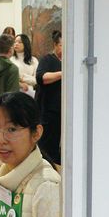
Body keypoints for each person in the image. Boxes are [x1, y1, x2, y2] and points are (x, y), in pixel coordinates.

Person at [36, 31, 63, 166]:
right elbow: (41, 78)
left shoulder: (69, 61)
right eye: (61, 45)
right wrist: (62, 73)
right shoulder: (47, 59)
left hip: (61, 113)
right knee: (46, 147)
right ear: (55, 45)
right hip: (47, 112)